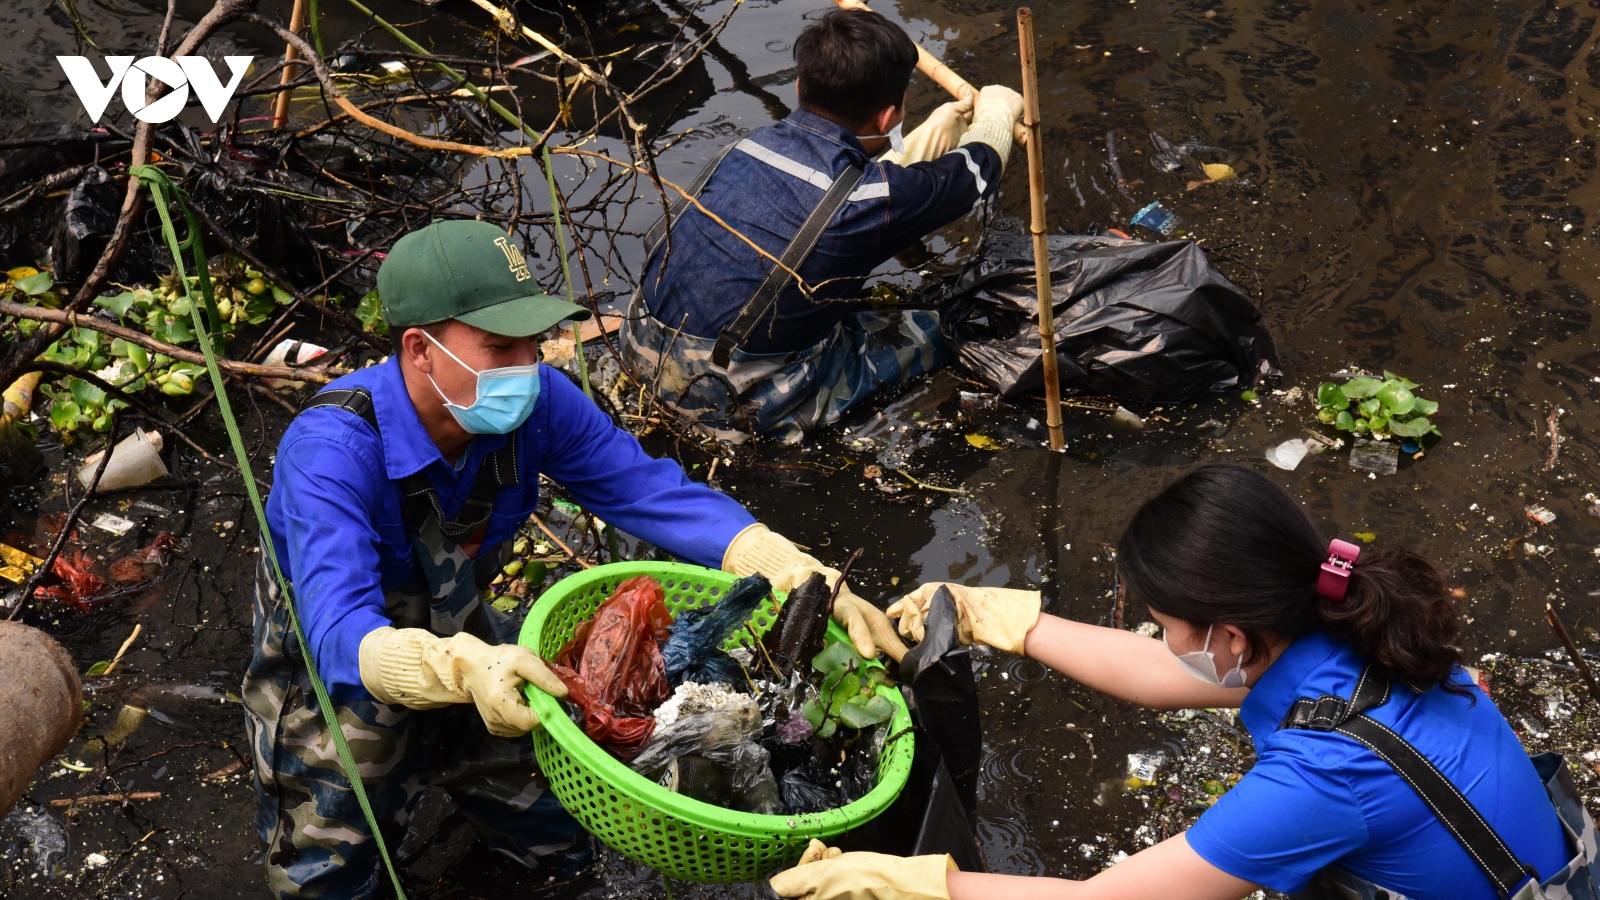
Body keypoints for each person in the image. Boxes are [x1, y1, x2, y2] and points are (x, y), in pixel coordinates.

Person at [241, 219, 906, 899]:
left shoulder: (534, 405)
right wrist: (458, 666)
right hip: (343, 669)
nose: (524, 367)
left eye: (532, 341)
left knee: (548, 818)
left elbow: (646, 489)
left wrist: (782, 561)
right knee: (332, 861)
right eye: (500, 346)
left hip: (465, 630)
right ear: (419, 348)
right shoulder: (331, 451)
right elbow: (337, 630)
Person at [769, 463, 1598, 900]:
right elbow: (1162, 674)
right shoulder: (1356, 631)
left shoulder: (1322, 777)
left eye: (1166, 623)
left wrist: (914, 884)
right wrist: (1010, 621)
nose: (1159, 641)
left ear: (1231, 635)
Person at [620, 8, 1024, 443]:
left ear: (799, 86)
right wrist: (997, 115)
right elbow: (975, 171)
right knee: (957, 325)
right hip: (724, 399)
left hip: (638, 346)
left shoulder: (748, 146)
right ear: (887, 119)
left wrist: (927, 138)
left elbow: (834, 195)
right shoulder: (870, 202)